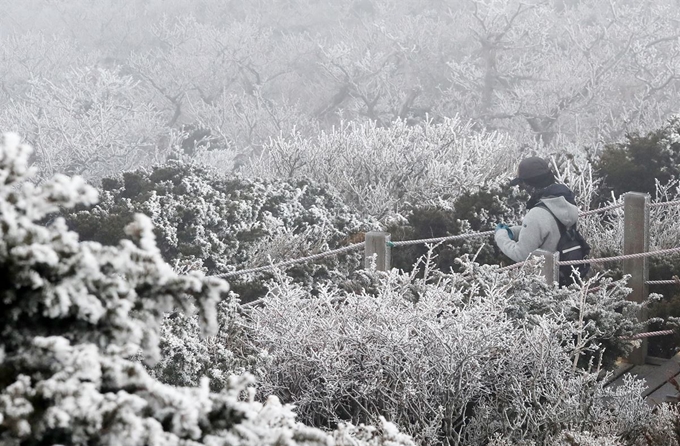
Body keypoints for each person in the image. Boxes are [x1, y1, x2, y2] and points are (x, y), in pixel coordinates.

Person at [494, 157, 580, 263]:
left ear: (529, 185)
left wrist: (500, 236)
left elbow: (520, 255)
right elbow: (549, 230)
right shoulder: (564, 202)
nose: (521, 189)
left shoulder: (537, 214)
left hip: (546, 276)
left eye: (522, 184)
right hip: (568, 273)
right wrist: (514, 231)